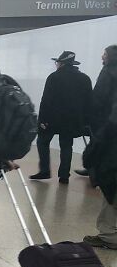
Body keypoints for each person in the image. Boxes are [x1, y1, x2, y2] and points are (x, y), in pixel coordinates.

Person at [30, 51, 93, 184]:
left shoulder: (54, 77)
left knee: (42, 142)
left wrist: (42, 120)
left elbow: (46, 100)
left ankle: (45, 171)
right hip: (72, 120)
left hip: (52, 120)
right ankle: (64, 175)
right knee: (66, 146)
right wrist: (86, 121)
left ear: (61, 63)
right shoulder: (85, 79)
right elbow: (89, 102)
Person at [81, 45, 117, 250]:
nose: (101, 56)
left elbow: (99, 103)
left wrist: (98, 136)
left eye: (104, 53)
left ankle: (109, 234)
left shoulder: (109, 73)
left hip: (110, 137)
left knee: (110, 182)